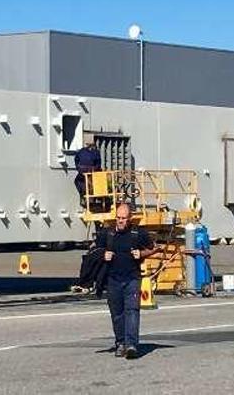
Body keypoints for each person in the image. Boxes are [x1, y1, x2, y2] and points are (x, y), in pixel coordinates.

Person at [95, 203, 157, 359]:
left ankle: (131, 345)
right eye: (118, 217)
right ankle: (120, 343)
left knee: (132, 312)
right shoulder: (107, 233)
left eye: (123, 218)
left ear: (130, 218)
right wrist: (103, 255)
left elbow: (154, 247)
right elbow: (94, 251)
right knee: (117, 314)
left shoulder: (138, 233)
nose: (120, 221)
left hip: (132, 278)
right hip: (113, 279)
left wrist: (141, 253)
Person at [74, 137, 102, 206]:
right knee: (94, 185)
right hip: (92, 172)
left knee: (77, 182)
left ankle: (84, 197)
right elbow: (98, 164)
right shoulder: (96, 152)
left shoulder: (81, 151)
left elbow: (76, 161)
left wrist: (79, 169)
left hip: (83, 172)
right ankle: (94, 199)